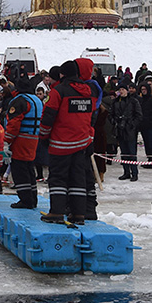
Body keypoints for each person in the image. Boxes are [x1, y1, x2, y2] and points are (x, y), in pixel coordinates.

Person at [37, 60, 93, 223]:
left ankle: (56, 212)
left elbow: (49, 116)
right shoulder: (86, 91)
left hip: (61, 143)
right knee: (77, 178)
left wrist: (44, 136)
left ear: (62, 74)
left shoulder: (58, 91)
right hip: (81, 141)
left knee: (58, 178)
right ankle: (78, 214)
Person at [111, 85, 142, 181]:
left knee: (132, 153)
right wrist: (115, 122)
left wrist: (132, 125)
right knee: (123, 152)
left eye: (123, 89)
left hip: (130, 130)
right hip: (120, 129)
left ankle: (134, 173)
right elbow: (111, 114)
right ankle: (126, 172)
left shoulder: (133, 101)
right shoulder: (115, 102)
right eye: (120, 89)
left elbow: (139, 115)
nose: (121, 91)